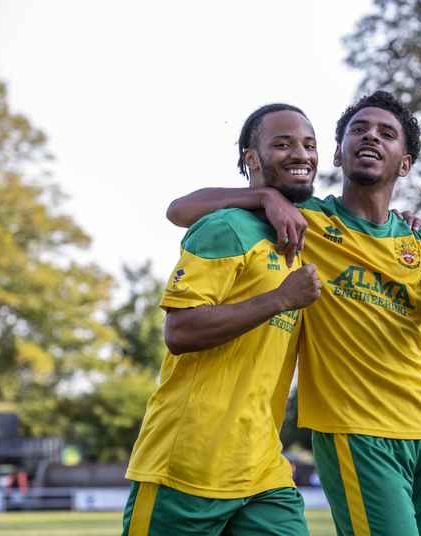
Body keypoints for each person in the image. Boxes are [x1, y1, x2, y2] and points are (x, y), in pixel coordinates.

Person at [167, 91, 421, 536]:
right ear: (338, 152)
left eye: (386, 134)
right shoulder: (305, 221)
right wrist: (266, 198)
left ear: (404, 164)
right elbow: (180, 210)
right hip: (355, 430)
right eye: (359, 130)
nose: (371, 137)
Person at [122, 103, 322, 536]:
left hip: (264, 469)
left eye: (309, 144)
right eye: (282, 144)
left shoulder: (308, 228)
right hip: (187, 465)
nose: (301, 154)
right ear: (251, 158)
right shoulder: (226, 227)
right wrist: (281, 299)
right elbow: (180, 330)